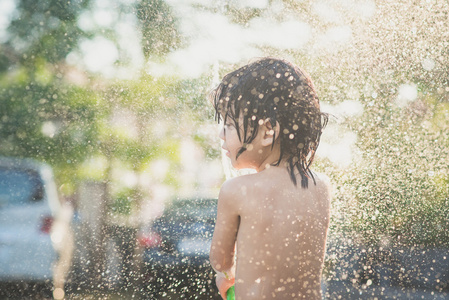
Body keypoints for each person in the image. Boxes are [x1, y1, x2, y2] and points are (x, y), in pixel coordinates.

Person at [209, 57, 331, 300]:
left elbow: (220, 258)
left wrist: (224, 275)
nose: (221, 132)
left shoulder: (236, 191)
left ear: (267, 132)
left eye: (230, 124)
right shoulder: (321, 186)